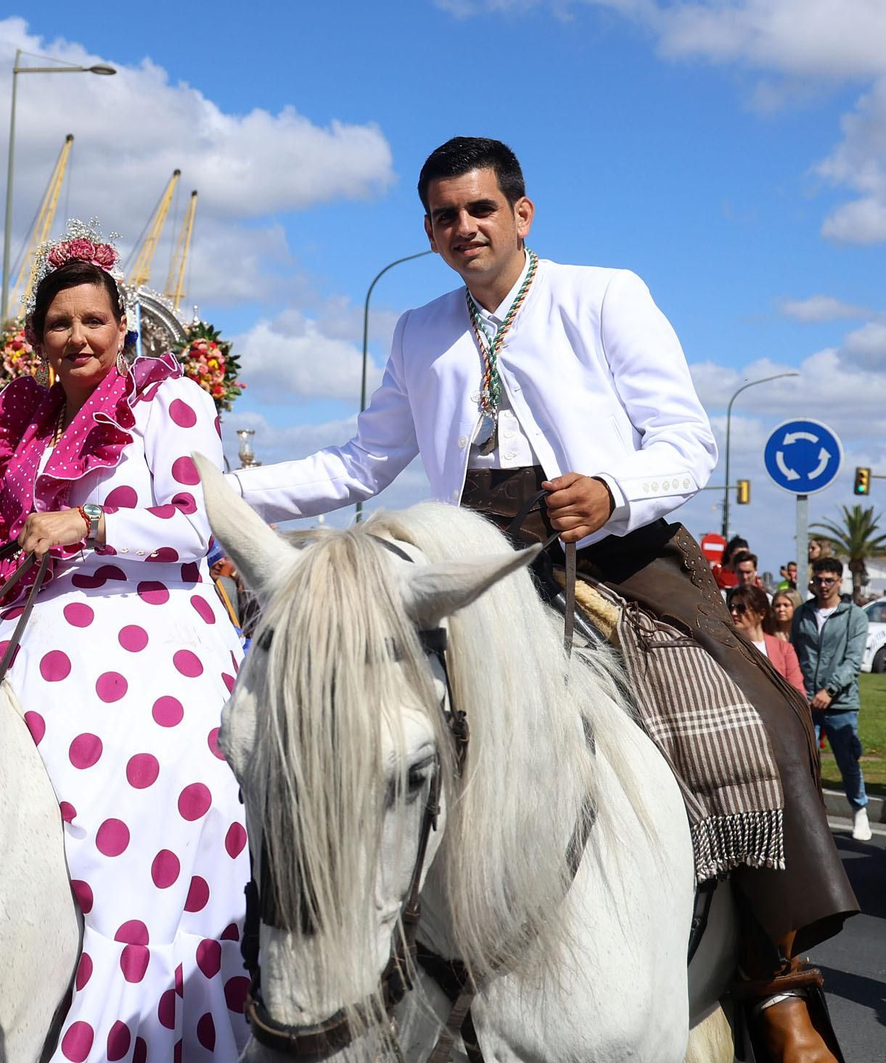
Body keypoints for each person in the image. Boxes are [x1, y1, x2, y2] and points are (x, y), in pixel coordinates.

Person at [225, 137, 854, 1060]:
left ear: (521, 214)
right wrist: (213, 492)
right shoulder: (419, 329)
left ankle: (778, 985)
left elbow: (685, 439)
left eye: (480, 209)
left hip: (615, 554)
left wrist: (611, 488)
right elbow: (360, 464)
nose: (463, 227)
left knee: (750, 713)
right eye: (444, 215)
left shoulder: (603, 294)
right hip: (470, 574)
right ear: (429, 230)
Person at [0, 228, 251, 1061]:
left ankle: (139, 1001)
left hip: (148, 622)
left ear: (123, 329)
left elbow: (194, 524)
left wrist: (93, 521)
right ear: (37, 337)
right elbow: (17, 529)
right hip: (32, 615)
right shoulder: (26, 418)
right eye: (60, 323)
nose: (77, 337)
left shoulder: (169, 402)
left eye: (94, 321)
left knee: (181, 788)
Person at [792, 558, 872, 843]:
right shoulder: (802, 613)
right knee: (806, 762)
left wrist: (831, 690)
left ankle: (860, 809)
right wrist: (801, 691)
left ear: (840, 581)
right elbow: (795, 654)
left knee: (848, 761)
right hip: (806, 701)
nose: (823, 585)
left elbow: (852, 661)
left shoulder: (854, 616)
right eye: (818, 580)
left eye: (829, 580)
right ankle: (812, 816)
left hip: (841, 703)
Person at [730, 586, 804, 692]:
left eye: (741, 608)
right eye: (731, 607)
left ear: (761, 613)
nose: (734, 613)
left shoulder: (784, 649)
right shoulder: (727, 647)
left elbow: (798, 692)